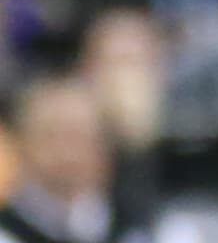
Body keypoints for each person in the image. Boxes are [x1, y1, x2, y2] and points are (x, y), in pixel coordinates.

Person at [2, 77, 143, 243]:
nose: (67, 152)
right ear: (22, 143)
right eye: (51, 136)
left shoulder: (134, 228)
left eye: (79, 136)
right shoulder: (6, 232)